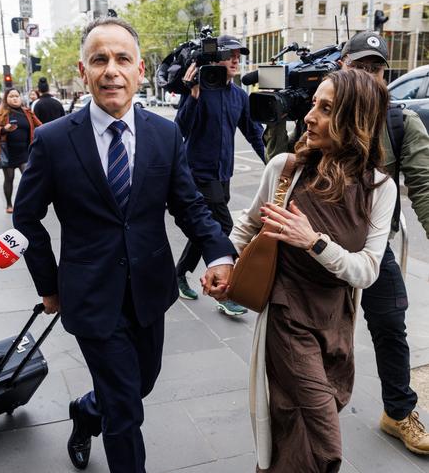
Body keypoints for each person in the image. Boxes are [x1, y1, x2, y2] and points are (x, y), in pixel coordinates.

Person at [13, 17, 235, 473]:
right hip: (91, 295)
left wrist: (219, 252)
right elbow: (26, 217)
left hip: (149, 290)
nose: (111, 70)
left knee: (140, 385)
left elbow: (189, 204)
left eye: (122, 59)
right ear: (83, 71)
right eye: (100, 60)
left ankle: (85, 410)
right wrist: (49, 284)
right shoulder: (53, 140)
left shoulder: (165, 133)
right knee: (126, 414)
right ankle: (109, 420)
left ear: (139, 70)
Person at [263, 30, 429, 454]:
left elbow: (424, 186)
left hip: (367, 247)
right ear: (344, 67)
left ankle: (398, 411)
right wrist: (283, 118)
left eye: (377, 68)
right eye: (361, 66)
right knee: (314, 362)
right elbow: (278, 172)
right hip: (299, 260)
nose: (370, 76)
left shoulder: (399, 119)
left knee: (390, 325)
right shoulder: (319, 109)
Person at [231, 68, 396, 472]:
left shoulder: (379, 188)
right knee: (324, 439)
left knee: (293, 426)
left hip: (336, 324)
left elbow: (368, 270)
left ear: (353, 120)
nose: (309, 116)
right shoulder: (286, 169)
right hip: (287, 318)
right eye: (313, 104)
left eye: (325, 109)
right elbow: (247, 227)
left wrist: (314, 242)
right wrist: (224, 265)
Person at [174, 35, 266, 316]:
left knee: (208, 227)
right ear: (215, 60)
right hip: (198, 174)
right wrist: (191, 95)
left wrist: (276, 162)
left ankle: (179, 274)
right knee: (224, 228)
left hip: (223, 175)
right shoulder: (200, 90)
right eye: (230, 55)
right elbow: (180, 129)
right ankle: (225, 290)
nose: (236, 60)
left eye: (239, 55)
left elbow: (254, 133)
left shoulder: (239, 95)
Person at [0, 88, 42, 214]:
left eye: (16, 96)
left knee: (28, 177)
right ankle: (9, 204)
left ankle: (26, 202)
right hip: (7, 151)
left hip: (25, 151)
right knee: (9, 178)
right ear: (6, 99)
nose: (14, 98)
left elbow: (40, 125)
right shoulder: (2, 113)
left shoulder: (27, 112)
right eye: (11, 96)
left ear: (20, 97)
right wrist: (4, 129)